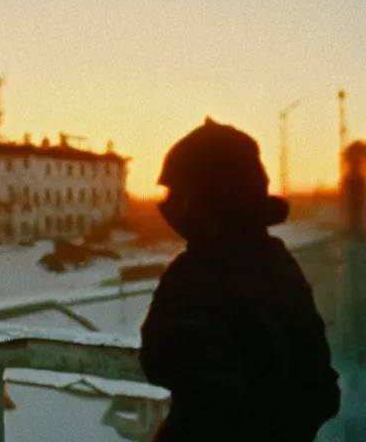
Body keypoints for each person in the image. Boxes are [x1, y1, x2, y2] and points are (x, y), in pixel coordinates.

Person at [139, 118, 340, 441]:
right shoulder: (275, 262)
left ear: (202, 200)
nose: (167, 207)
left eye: (175, 193)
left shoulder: (200, 275)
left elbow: (173, 369)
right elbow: (319, 390)